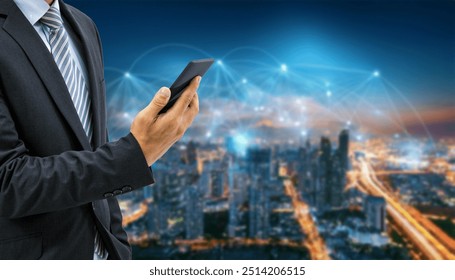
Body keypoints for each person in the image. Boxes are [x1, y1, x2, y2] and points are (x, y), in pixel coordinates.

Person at [0, 0, 199, 259]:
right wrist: (136, 153)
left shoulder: (83, 25)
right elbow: (7, 182)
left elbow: (96, 149)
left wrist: (118, 246)